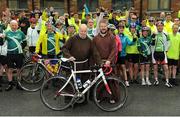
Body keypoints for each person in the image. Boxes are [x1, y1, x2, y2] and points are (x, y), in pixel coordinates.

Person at [62, 24, 102, 104]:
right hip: (74, 64)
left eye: (85, 31)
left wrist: (99, 63)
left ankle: (82, 99)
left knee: (84, 82)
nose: (83, 33)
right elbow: (64, 48)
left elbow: (94, 52)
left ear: (87, 31)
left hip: (84, 65)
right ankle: (70, 100)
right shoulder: (72, 39)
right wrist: (69, 56)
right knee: (73, 82)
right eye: (82, 31)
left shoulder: (89, 40)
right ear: (79, 30)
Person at [4, 20, 27, 91]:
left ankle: (18, 84)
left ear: (17, 25)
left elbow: (25, 42)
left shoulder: (20, 32)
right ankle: (10, 84)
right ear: (10, 26)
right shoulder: (6, 33)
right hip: (9, 54)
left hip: (19, 54)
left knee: (19, 69)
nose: (14, 27)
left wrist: (20, 48)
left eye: (15, 25)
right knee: (9, 69)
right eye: (12, 25)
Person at [151, 21, 172, 88]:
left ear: (163, 26)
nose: (160, 27)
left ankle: (167, 81)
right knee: (155, 67)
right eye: (158, 26)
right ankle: (156, 80)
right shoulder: (153, 33)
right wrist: (153, 37)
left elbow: (169, 42)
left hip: (163, 52)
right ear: (156, 27)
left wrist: (165, 49)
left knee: (166, 67)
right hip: (155, 52)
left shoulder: (166, 33)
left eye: (161, 26)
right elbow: (151, 43)